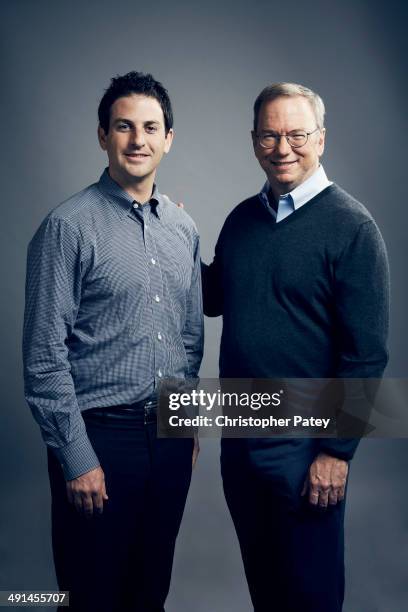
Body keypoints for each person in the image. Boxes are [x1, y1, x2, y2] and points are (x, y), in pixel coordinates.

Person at [202, 83, 389, 612]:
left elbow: (367, 355)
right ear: (254, 140)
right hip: (240, 439)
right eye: (269, 134)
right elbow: (213, 298)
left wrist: (336, 451)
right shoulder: (241, 221)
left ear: (321, 140)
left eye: (296, 134)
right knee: (266, 592)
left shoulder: (352, 228)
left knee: (310, 597)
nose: (283, 147)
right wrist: (168, 234)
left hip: (307, 448)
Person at [23, 71, 203, 612]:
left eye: (150, 127)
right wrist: (76, 458)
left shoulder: (182, 228)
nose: (137, 140)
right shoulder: (67, 227)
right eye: (124, 126)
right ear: (103, 136)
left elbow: (189, 336)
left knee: (150, 593)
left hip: (170, 440)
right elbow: (43, 357)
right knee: (91, 597)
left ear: (168, 139)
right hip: (99, 439)